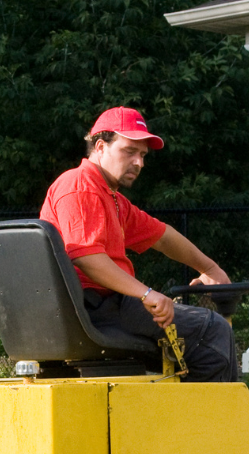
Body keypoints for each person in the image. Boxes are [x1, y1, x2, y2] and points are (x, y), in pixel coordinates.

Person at [40, 106, 238, 381]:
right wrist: (146, 294)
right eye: (129, 151)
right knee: (212, 331)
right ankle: (210, 423)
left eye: (143, 155)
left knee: (198, 340)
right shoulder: (80, 185)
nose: (139, 163)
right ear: (100, 147)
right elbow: (87, 258)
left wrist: (210, 268)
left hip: (104, 307)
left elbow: (162, 236)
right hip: (94, 309)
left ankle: (181, 417)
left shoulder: (113, 199)